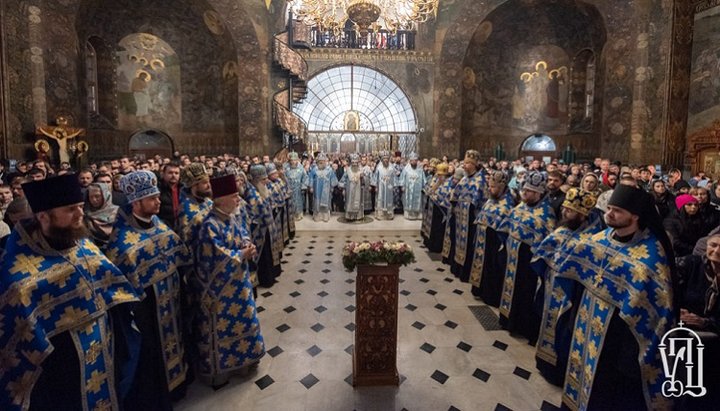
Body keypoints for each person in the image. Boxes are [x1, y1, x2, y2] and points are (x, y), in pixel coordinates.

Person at [0, 174, 139, 411]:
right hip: (59, 368)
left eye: (81, 207)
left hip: (104, 347)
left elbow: (112, 286)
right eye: (70, 209)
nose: (80, 215)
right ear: (43, 216)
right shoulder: (17, 275)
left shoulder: (82, 244)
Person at [554, 184, 675, 411]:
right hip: (585, 323)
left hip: (619, 338)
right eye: (608, 208)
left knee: (605, 390)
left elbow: (658, 309)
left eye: (617, 210)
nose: (609, 214)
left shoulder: (651, 256)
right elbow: (572, 275)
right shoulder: (598, 240)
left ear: (635, 216)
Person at [105, 170, 193, 409]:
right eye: (152, 198)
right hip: (148, 311)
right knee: (153, 354)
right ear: (136, 202)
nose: (158, 201)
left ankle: (180, 384)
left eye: (157, 196)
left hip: (172, 299)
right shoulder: (123, 242)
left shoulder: (158, 224)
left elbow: (179, 253)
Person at [192, 175, 265, 388]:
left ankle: (244, 362)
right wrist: (241, 254)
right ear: (221, 199)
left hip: (239, 284)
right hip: (220, 289)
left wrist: (247, 245)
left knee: (243, 321)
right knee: (225, 327)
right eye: (234, 197)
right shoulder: (210, 225)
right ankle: (223, 369)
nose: (238, 200)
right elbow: (215, 255)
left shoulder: (230, 217)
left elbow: (242, 234)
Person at [532, 188, 603, 386]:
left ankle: (559, 371)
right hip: (551, 287)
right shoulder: (562, 230)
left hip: (572, 296)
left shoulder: (592, 239)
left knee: (564, 332)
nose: (564, 213)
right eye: (564, 208)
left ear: (582, 215)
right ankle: (545, 363)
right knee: (548, 322)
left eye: (570, 211)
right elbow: (543, 253)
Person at [497, 171, 557, 344]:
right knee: (510, 287)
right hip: (513, 257)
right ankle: (507, 319)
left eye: (529, 192)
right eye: (524, 190)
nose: (524, 193)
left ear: (538, 193)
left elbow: (549, 241)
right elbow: (506, 226)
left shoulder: (547, 213)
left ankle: (521, 326)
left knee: (525, 292)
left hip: (529, 262)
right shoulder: (520, 207)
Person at [675, 232, 720, 409]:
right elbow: (669, 290)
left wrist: (705, 322)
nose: (716, 250)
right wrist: (675, 310)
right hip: (682, 334)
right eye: (713, 245)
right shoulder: (691, 264)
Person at [469, 171, 515, 306]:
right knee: (483, 267)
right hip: (484, 241)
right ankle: (480, 290)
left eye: (493, 187)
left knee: (493, 269)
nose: (489, 189)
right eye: (489, 186)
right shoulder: (491, 199)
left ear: (501, 188)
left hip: (495, 243)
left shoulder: (508, 204)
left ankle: (491, 296)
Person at [449, 150, 485, 282]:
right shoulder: (464, 179)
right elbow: (455, 195)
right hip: (460, 218)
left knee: (469, 245)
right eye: (464, 163)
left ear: (475, 164)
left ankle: (465, 272)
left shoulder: (480, 180)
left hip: (471, 220)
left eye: (468, 163)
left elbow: (481, 202)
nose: (465, 165)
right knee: (458, 242)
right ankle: (457, 266)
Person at [245, 164, 280, 287]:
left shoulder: (260, 189)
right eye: (263, 179)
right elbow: (254, 213)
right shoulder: (252, 193)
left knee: (268, 254)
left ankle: (269, 277)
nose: (266, 181)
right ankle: (265, 280)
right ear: (256, 180)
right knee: (263, 257)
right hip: (259, 231)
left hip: (266, 229)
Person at [176, 163, 213, 258]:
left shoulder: (207, 201)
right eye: (204, 183)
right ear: (194, 186)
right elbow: (187, 244)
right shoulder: (186, 211)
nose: (209, 185)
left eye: (209, 181)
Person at [423, 163, 452, 253]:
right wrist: (436, 186)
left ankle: (438, 247)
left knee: (439, 229)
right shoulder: (437, 182)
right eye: (438, 175)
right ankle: (432, 245)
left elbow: (447, 197)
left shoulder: (449, 184)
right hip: (434, 209)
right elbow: (429, 192)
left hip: (441, 211)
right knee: (434, 228)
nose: (439, 176)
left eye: (440, 175)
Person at [83, 182, 118, 246]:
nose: (94, 199)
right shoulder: (85, 216)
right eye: (91, 197)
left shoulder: (118, 213)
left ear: (105, 195)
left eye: (97, 196)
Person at [308, 153, 338, 222]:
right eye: (320, 161)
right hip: (317, 190)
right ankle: (317, 216)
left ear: (325, 161)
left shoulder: (329, 170)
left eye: (323, 161)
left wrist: (332, 187)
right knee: (317, 203)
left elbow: (333, 180)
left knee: (326, 204)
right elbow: (311, 178)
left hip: (326, 191)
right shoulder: (314, 169)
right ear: (317, 161)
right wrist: (311, 187)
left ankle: (325, 217)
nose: (321, 162)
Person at [399, 153, 426, 220]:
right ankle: (408, 213)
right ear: (410, 161)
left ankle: (418, 214)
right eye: (412, 160)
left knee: (418, 200)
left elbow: (423, 179)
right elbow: (402, 178)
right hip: (408, 189)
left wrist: (424, 186)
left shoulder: (420, 169)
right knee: (408, 200)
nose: (414, 162)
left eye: (415, 160)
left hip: (418, 188)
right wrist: (402, 186)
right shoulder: (406, 169)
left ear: (417, 161)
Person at [339, 153, 366, 221]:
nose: (354, 164)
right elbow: (342, 181)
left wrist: (362, 178)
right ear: (351, 162)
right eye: (353, 162)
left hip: (358, 190)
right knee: (350, 203)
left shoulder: (361, 171)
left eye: (355, 162)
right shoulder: (348, 170)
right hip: (349, 191)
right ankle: (349, 217)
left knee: (357, 203)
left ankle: (358, 216)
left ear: (358, 163)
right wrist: (344, 188)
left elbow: (363, 182)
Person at [284, 152, 308, 221]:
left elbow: (305, 177)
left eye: (294, 160)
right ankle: (290, 216)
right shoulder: (286, 168)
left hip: (298, 189)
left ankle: (298, 215)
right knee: (290, 202)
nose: (293, 162)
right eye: (291, 160)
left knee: (298, 202)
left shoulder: (301, 168)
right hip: (289, 189)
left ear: (297, 160)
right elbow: (284, 178)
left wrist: (303, 186)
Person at [373, 151, 396, 220]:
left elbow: (394, 177)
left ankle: (389, 215)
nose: (385, 160)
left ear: (388, 159)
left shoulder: (392, 168)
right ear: (382, 159)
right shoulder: (378, 168)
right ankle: (380, 215)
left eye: (387, 158)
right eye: (384, 159)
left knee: (389, 200)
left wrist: (394, 186)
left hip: (389, 187)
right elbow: (375, 177)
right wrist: (375, 186)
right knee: (380, 200)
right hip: (380, 187)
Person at [158, 163, 182, 228]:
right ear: (163, 174)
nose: (173, 175)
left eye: (176, 173)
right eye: (170, 173)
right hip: (164, 226)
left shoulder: (184, 189)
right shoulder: (158, 189)